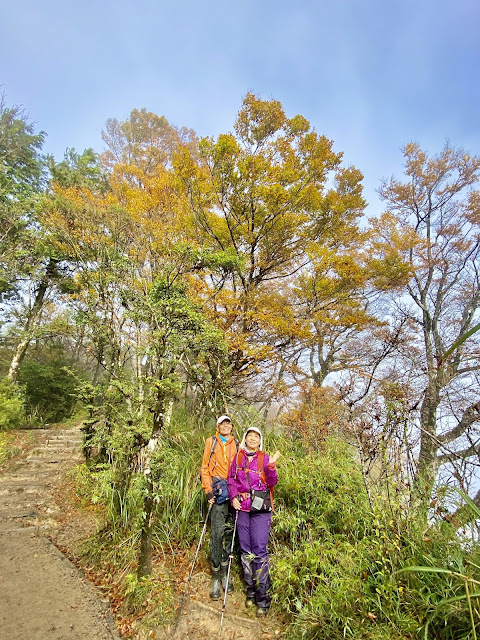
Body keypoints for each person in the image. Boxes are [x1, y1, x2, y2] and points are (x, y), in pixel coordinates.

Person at [227, 427, 280, 617]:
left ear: (260, 441)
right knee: (245, 551)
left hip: (260, 510)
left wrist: (271, 467)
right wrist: (233, 496)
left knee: (259, 551)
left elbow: (272, 482)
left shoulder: (264, 458)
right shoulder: (238, 458)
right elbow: (231, 480)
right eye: (250, 436)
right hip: (242, 508)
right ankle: (250, 590)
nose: (252, 439)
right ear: (245, 439)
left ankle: (263, 597)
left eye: (256, 436)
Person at [201, 414, 238, 600]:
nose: (225, 426)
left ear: (231, 427)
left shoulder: (236, 444)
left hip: (233, 492)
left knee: (229, 533)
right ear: (218, 426)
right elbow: (205, 467)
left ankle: (225, 573)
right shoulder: (211, 442)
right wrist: (208, 490)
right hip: (217, 490)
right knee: (216, 533)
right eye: (222, 423)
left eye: (228, 423)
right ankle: (215, 576)